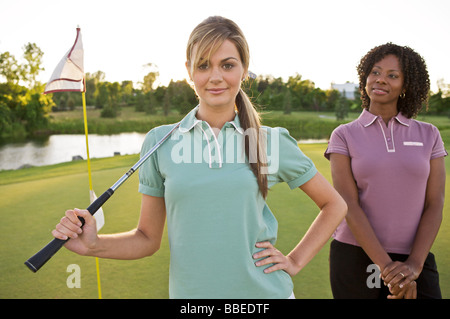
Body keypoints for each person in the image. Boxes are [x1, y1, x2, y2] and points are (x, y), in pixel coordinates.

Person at [52, 16, 347, 299]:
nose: (215, 77)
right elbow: (146, 238)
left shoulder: (269, 141)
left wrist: (295, 261)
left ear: (244, 70)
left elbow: (334, 204)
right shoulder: (160, 142)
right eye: (203, 65)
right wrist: (93, 244)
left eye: (227, 65)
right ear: (189, 71)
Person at [325, 43, 447, 299]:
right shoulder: (344, 135)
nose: (380, 80)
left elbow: (435, 203)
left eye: (392, 75)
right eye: (375, 72)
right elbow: (348, 203)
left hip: (415, 257)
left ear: (406, 85)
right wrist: (388, 269)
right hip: (355, 256)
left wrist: (414, 265)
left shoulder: (429, 134)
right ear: (365, 77)